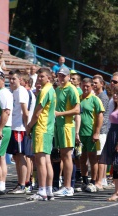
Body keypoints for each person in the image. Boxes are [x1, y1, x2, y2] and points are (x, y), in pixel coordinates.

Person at [26, 68, 56, 201]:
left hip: (42, 128)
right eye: (39, 76)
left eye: (42, 76)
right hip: (48, 129)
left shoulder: (45, 90)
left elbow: (38, 112)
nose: (39, 79)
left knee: (40, 161)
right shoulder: (52, 90)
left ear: (48, 78)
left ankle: (42, 190)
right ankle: (48, 190)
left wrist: (29, 126)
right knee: (47, 160)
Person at [52, 67, 80, 197]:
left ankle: (68, 187)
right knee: (63, 156)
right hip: (59, 126)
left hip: (67, 126)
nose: (61, 78)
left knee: (67, 156)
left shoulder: (71, 89)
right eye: (59, 75)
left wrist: (60, 114)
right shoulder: (57, 89)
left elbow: (77, 110)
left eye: (63, 76)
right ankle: (66, 185)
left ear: (68, 76)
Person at [99, 86, 118, 201]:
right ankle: (117, 191)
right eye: (115, 93)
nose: (115, 95)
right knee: (115, 163)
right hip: (112, 134)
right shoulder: (116, 107)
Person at [77, 78, 104, 193]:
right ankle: (84, 181)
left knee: (93, 158)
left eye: (88, 86)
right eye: (84, 86)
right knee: (81, 158)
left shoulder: (95, 100)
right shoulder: (78, 99)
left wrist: (96, 132)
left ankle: (93, 182)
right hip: (80, 134)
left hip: (91, 134)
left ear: (92, 86)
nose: (85, 88)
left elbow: (100, 116)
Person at [6, 71, 31, 194]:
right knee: (16, 156)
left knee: (21, 156)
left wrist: (27, 127)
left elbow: (25, 112)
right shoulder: (14, 92)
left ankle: (23, 184)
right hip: (14, 127)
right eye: (10, 79)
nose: (11, 81)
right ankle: (21, 183)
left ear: (19, 79)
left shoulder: (21, 91)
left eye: (14, 79)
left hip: (20, 128)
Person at [93, 75, 110, 191]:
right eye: (93, 83)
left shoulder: (102, 97)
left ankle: (101, 179)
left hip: (102, 131)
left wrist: (98, 131)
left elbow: (102, 116)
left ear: (102, 84)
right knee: (98, 155)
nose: (94, 85)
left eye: (96, 83)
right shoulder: (97, 96)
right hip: (98, 130)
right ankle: (101, 178)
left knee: (100, 156)